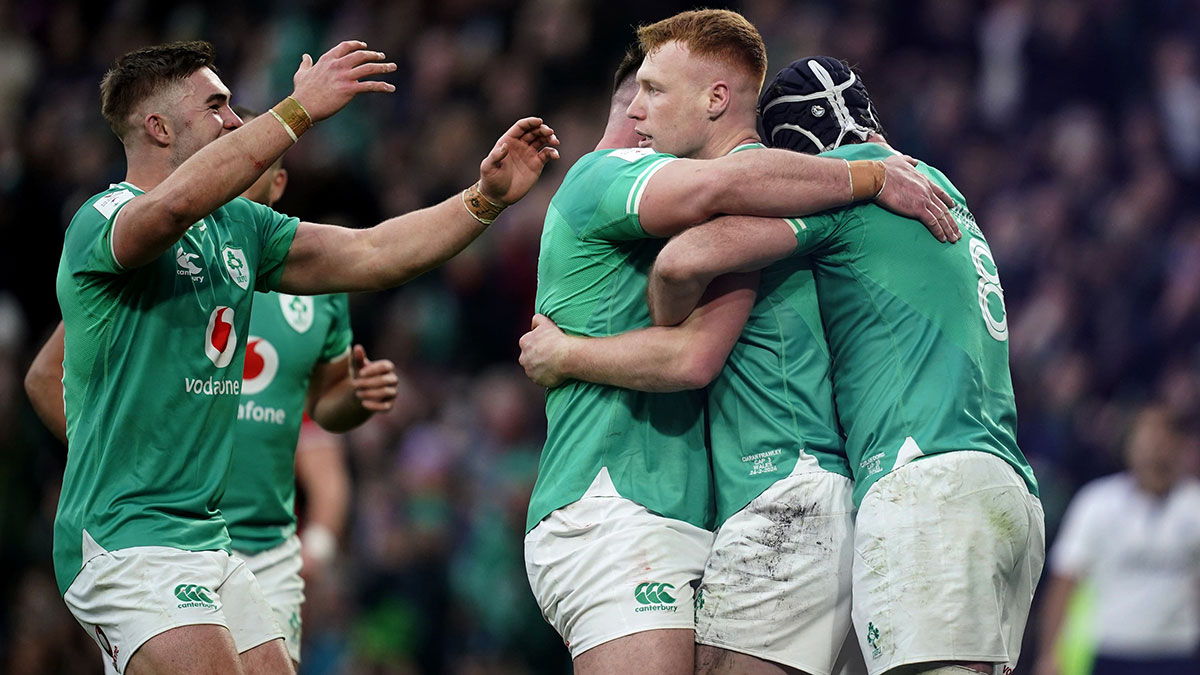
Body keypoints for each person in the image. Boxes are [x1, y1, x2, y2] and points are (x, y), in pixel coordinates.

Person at [49, 39, 557, 675]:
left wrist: (484, 198)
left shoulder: (242, 228)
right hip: (125, 536)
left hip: (208, 538)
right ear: (157, 127)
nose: (235, 119)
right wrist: (298, 111)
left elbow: (374, 253)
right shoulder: (102, 219)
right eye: (217, 106)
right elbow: (172, 205)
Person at [522, 14, 957, 675]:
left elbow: (693, 348)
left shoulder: (755, 190)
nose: (642, 113)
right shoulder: (619, 179)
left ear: (715, 99)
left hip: (777, 495)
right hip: (664, 506)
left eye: (656, 92)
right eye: (635, 94)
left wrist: (567, 355)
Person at [635, 56, 1043, 675]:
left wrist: (672, 338)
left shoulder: (851, 181)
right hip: (1004, 489)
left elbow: (683, 259)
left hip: (923, 478)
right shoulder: (940, 185)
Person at [24, 104, 387, 670]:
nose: (238, 161)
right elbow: (47, 375)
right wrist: (118, 463)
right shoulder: (156, 257)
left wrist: (354, 403)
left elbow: (322, 418)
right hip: (146, 530)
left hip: (257, 545)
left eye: (254, 157)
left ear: (275, 180)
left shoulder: (316, 291)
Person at [1035, 404, 1200, 675]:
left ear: (1178, 443)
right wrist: (1048, 654)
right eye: (1146, 437)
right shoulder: (1096, 503)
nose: (1154, 447)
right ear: (1128, 444)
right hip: (1112, 650)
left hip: (1178, 652)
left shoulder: (1194, 505)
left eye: (1162, 436)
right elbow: (1064, 580)